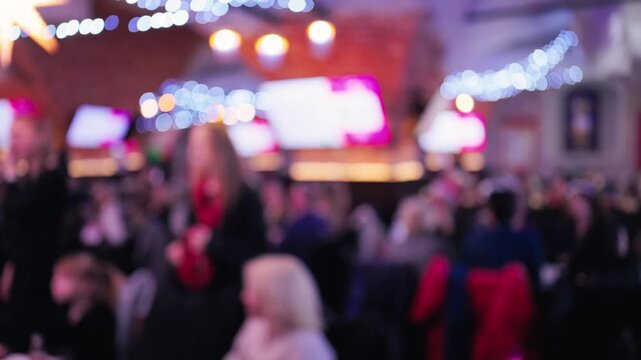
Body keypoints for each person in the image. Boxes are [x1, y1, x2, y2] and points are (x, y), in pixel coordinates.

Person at [140, 123, 266, 360]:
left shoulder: (244, 197)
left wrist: (213, 243)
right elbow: (182, 235)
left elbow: (255, 255)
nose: (192, 153)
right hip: (190, 290)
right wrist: (179, 250)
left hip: (224, 299)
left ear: (218, 150)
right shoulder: (193, 195)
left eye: (199, 146)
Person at [0, 101, 67, 353]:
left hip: (39, 275)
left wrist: (8, 176)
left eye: (19, 136)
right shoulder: (29, 179)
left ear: (40, 137)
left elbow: (18, 211)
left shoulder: (53, 178)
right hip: (23, 271)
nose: (13, 143)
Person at [224, 255, 336, 360]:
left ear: (274, 295)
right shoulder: (257, 324)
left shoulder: (306, 346)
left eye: (251, 290)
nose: (243, 297)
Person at [463, 189, 544, 289]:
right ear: (514, 212)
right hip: (516, 301)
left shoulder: (475, 242)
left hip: (483, 302)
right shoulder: (528, 240)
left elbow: (467, 276)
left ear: (491, 213)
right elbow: (536, 278)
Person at [48, 253, 116, 360]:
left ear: (87, 284)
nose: (55, 283)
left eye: (64, 277)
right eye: (54, 276)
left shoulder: (100, 319)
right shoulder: (62, 314)